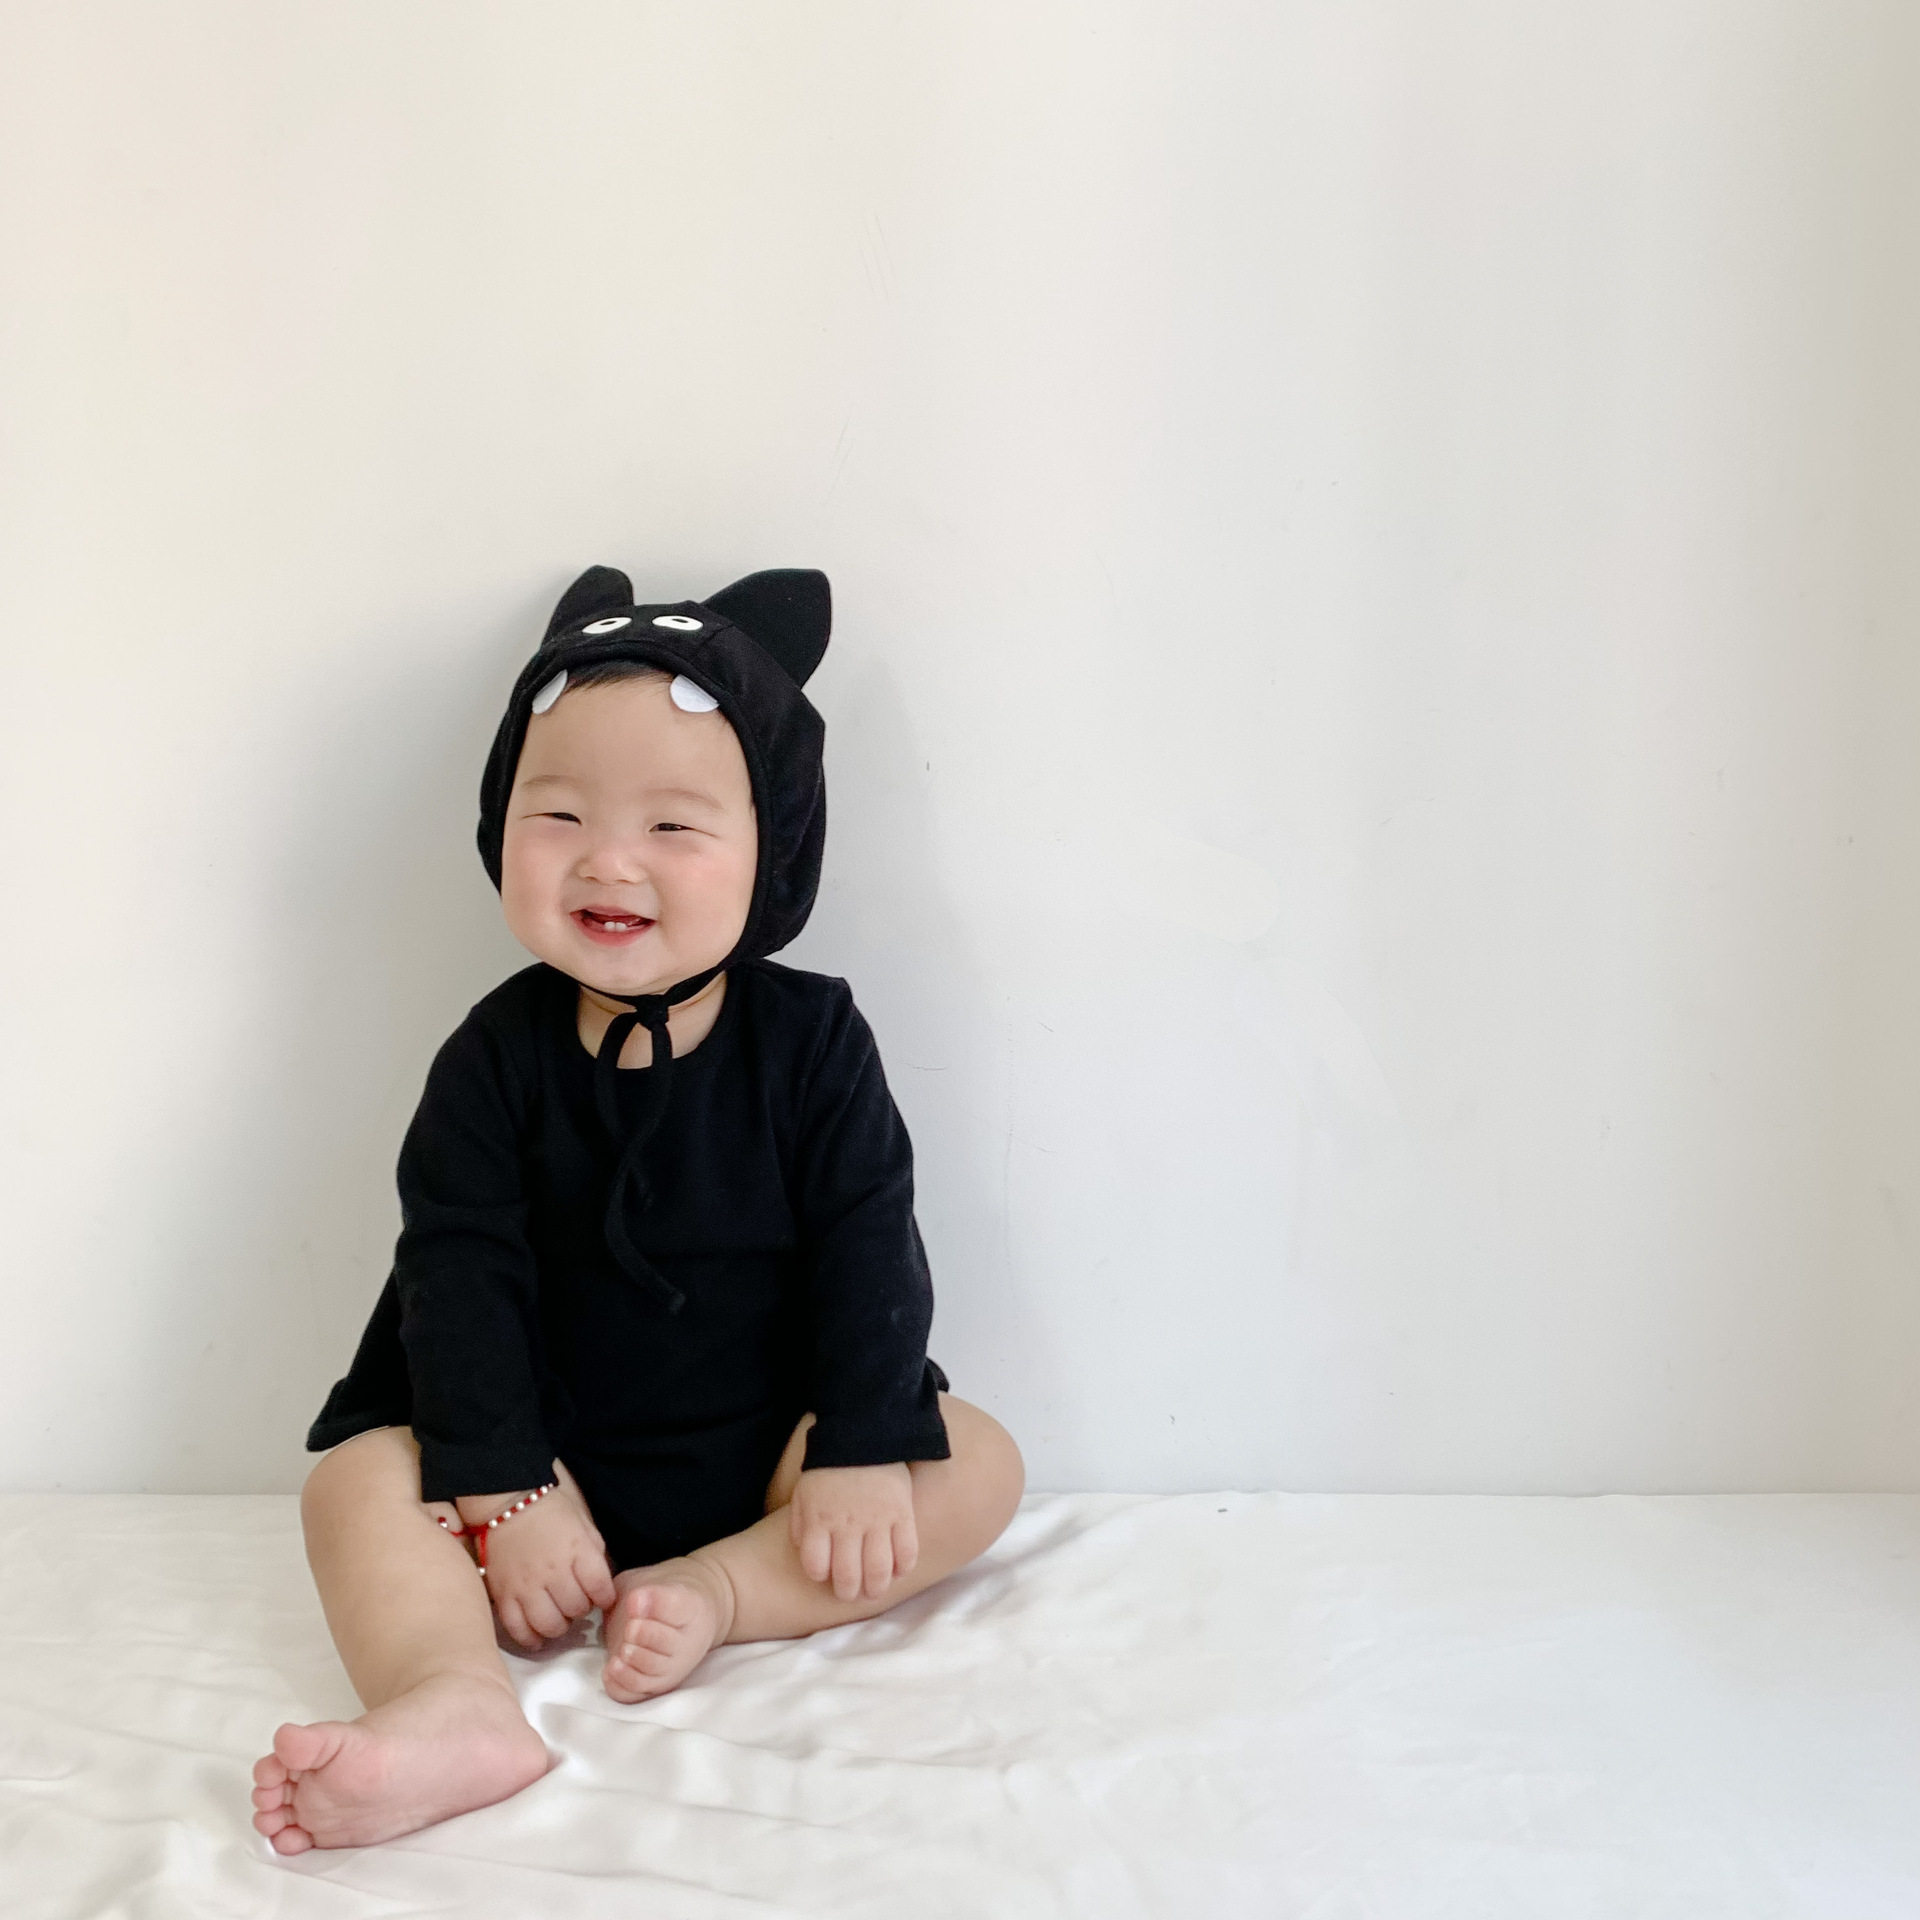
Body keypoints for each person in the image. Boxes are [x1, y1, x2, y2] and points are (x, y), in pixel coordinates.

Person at [250, 565, 1025, 1854]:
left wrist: (856, 1444)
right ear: (500, 820)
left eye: (673, 824)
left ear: (776, 846)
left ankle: (720, 1592)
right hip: (538, 1462)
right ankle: (451, 1700)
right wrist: (505, 1485)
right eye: (558, 813)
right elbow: (456, 1272)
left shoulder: (815, 1042)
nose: (609, 859)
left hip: (771, 1460)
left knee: (976, 1461)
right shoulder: (491, 1061)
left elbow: (869, 1242)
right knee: (352, 1483)